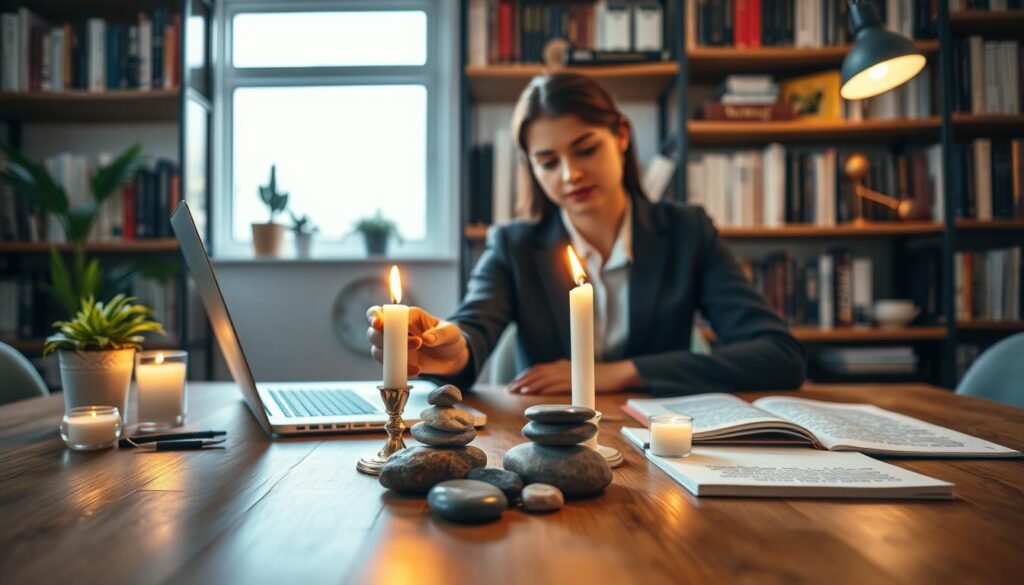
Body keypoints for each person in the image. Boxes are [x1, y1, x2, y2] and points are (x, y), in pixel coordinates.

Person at [367, 72, 805, 397]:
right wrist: (448, 349)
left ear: (621, 135)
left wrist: (622, 371)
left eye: (586, 149)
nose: (571, 174)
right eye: (548, 162)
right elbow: (473, 328)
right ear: (533, 169)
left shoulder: (688, 233)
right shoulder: (514, 245)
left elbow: (779, 356)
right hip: (548, 441)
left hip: (662, 442)